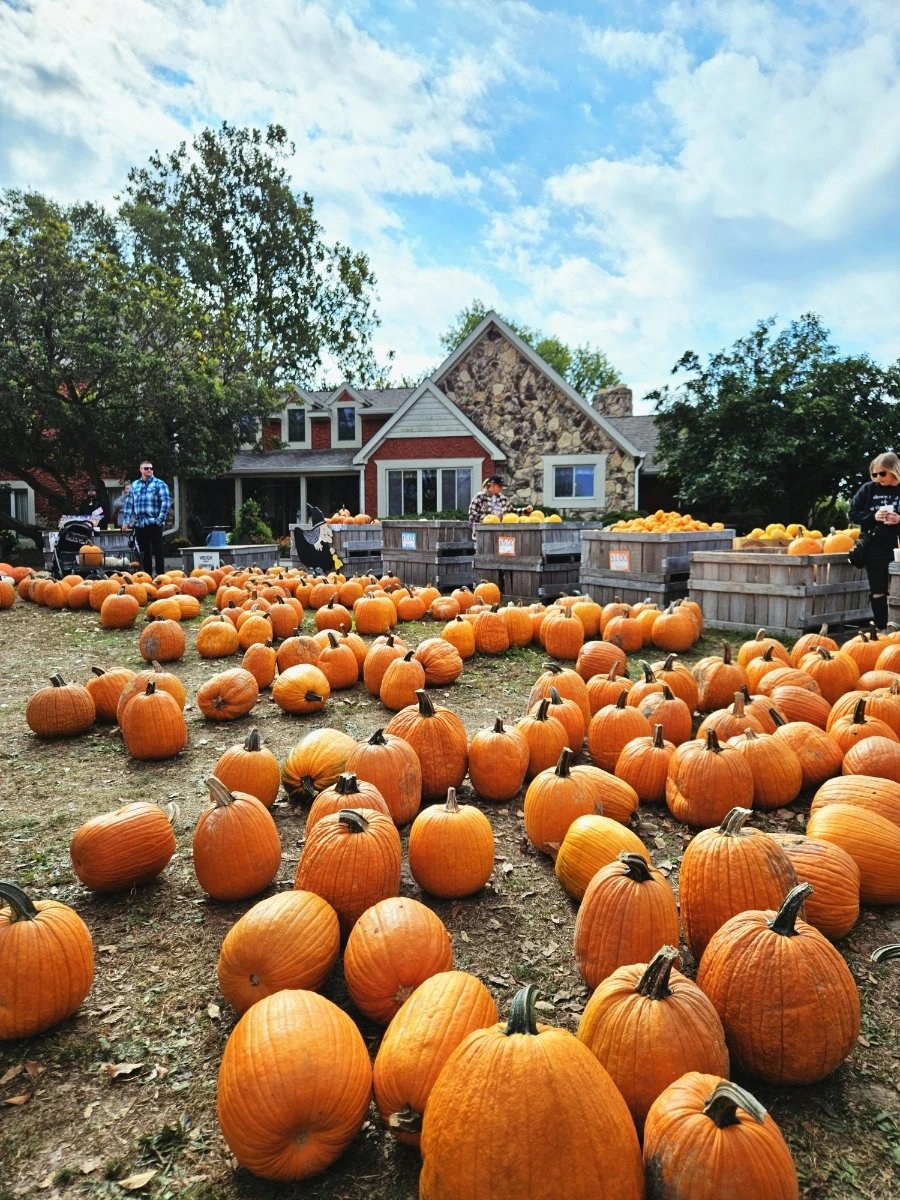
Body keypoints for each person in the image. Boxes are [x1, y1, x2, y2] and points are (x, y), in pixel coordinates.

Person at [849, 452, 900, 631]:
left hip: (896, 543)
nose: (878, 477)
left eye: (882, 473)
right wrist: (873, 517)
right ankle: (883, 628)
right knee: (878, 588)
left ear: (894, 470)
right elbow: (853, 513)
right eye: (874, 474)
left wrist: (899, 519)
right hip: (875, 545)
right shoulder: (868, 489)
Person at [121, 461, 171, 577]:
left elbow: (166, 503)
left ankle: (160, 576)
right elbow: (129, 504)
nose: (149, 470)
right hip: (140, 523)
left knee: (158, 550)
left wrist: (159, 520)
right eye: (146, 468)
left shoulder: (159, 484)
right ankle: (147, 576)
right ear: (141, 470)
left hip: (154, 522)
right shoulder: (135, 485)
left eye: (151, 468)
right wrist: (126, 521)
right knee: (144, 552)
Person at [468, 475, 534, 524]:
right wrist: (486, 519)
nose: (501, 488)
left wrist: (525, 511)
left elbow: (511, 513)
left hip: (501, 533)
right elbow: (472, 514)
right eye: (499, 486)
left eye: (501, 486)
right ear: (492, 485)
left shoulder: (503, 499)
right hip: (483, 534)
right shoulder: (480, 497)